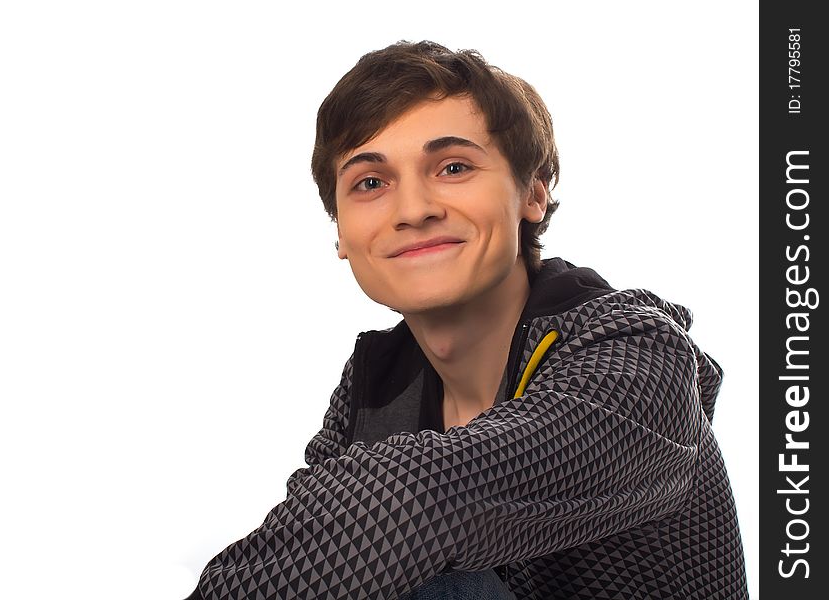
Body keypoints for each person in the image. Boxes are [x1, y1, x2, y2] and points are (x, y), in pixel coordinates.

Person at [185, 40, 749, 599]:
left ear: (532, 193)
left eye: (452, 167)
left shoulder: (635, 351)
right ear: (340, 233)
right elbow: (309, 541)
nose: (413, 210)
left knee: (409, 564)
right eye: (370, 183)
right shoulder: (373, 385)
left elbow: (420, 502)